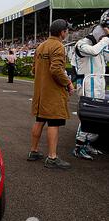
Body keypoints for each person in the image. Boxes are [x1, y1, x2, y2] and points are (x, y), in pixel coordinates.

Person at [27, 19, 74, 169]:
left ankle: (33, 151)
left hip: (40, 92)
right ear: (62, 32)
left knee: (39, 120)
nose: (67, 33)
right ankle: (52, 157)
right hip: (52, 92)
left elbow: (33, 70)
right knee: (54, 122)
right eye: (67, 31)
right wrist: (68, 83)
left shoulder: (41, 46)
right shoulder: (58, 46)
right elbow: (56, 70)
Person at [72, 10, 109, 160]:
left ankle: (88, 143)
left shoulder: (101, 46)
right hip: (87, 84)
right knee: (88, 118)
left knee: (96, 117)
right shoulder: (81, 44)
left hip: (99, 84)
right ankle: (78, 146)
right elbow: (93, 51)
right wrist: (105, 39)